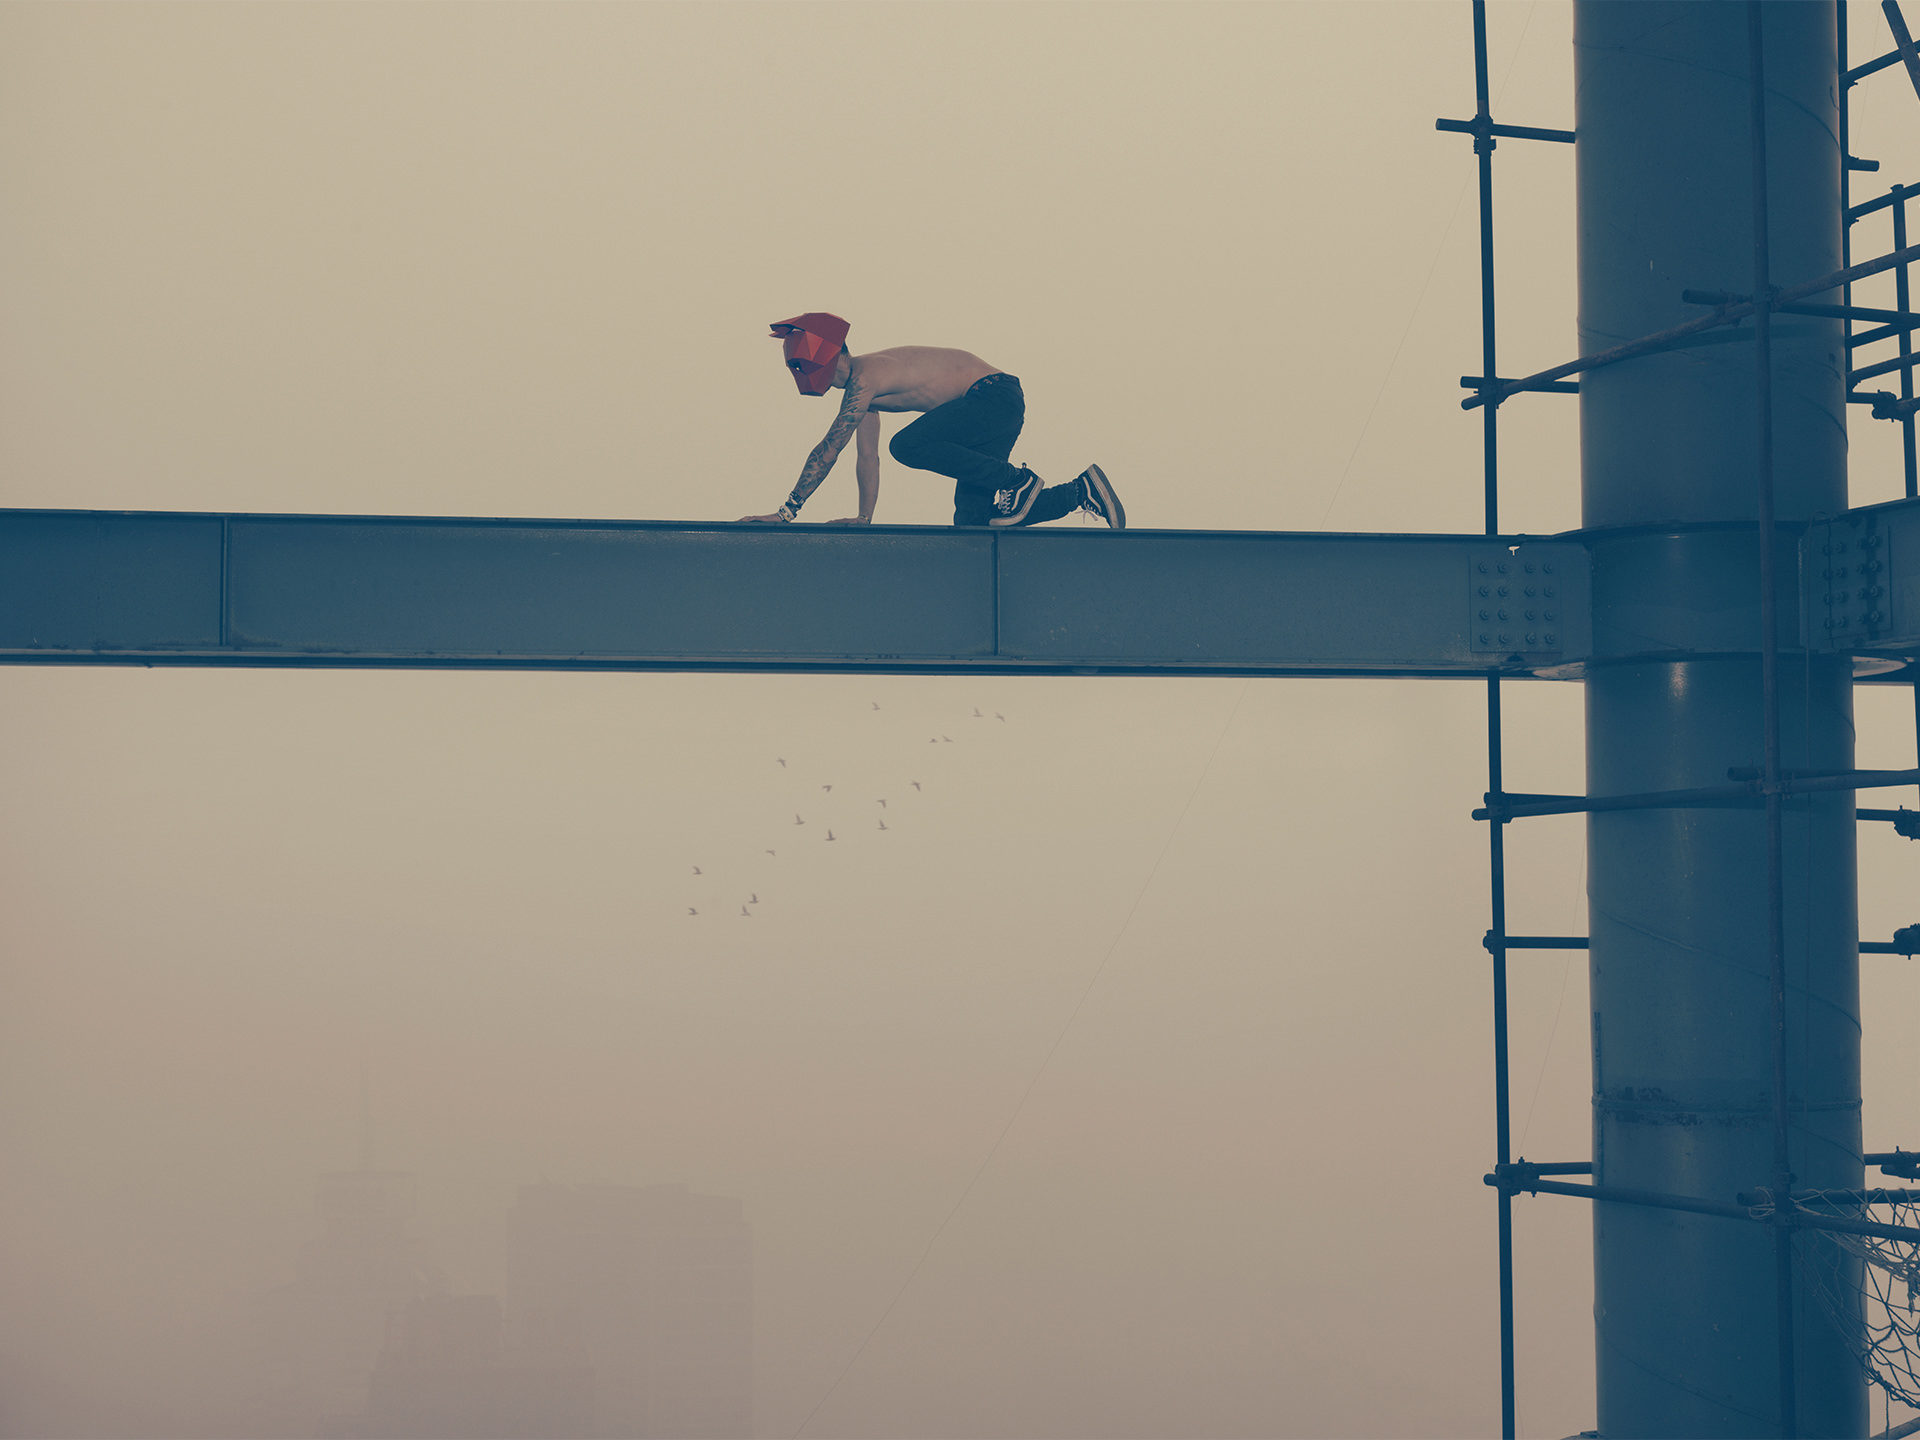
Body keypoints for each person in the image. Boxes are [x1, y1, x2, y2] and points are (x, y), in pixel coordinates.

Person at [740, 312, 1124, 529]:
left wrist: (786, 512)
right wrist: (864, 517)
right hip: (984, 413)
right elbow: (866, 459)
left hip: (992, 396)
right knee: (973, 526)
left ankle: (1017, 482)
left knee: (906, 445)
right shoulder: (865, 396)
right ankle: (1081, 491)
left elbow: (830, 448)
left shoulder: (867, 377)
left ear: (834, 355)